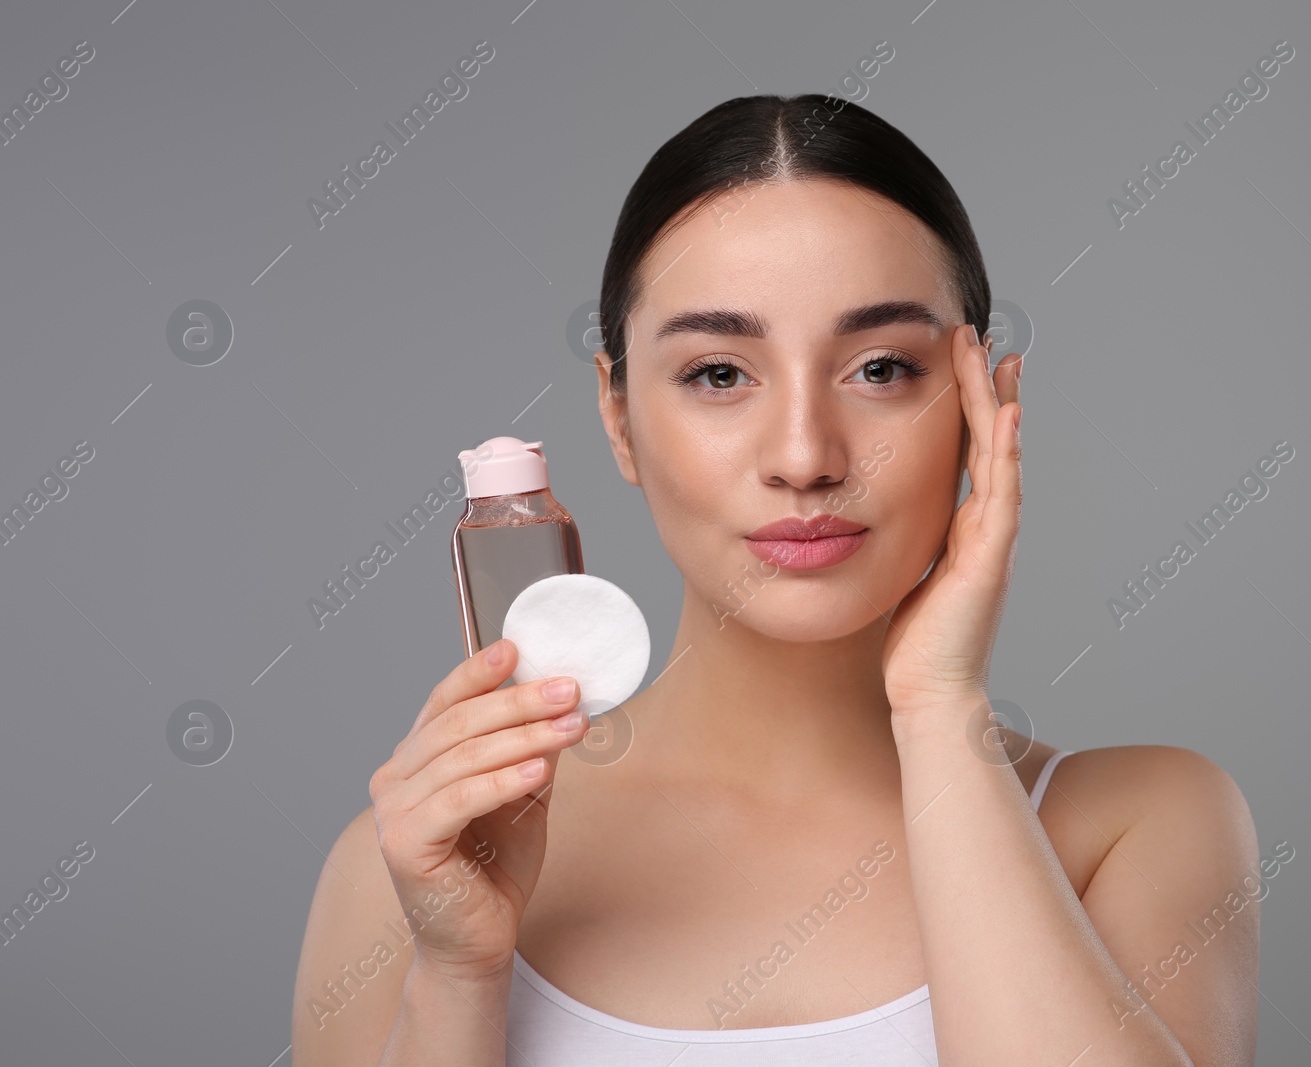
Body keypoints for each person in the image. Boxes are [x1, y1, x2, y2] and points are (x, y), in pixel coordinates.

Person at [292, 93, 1260, 1066]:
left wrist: (936, 705)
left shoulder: (1140, 822)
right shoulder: (415, 862)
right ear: (618, 413)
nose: (804, 456)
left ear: (977, 403)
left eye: (880, 367)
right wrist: (458, 972)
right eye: (719, 373)